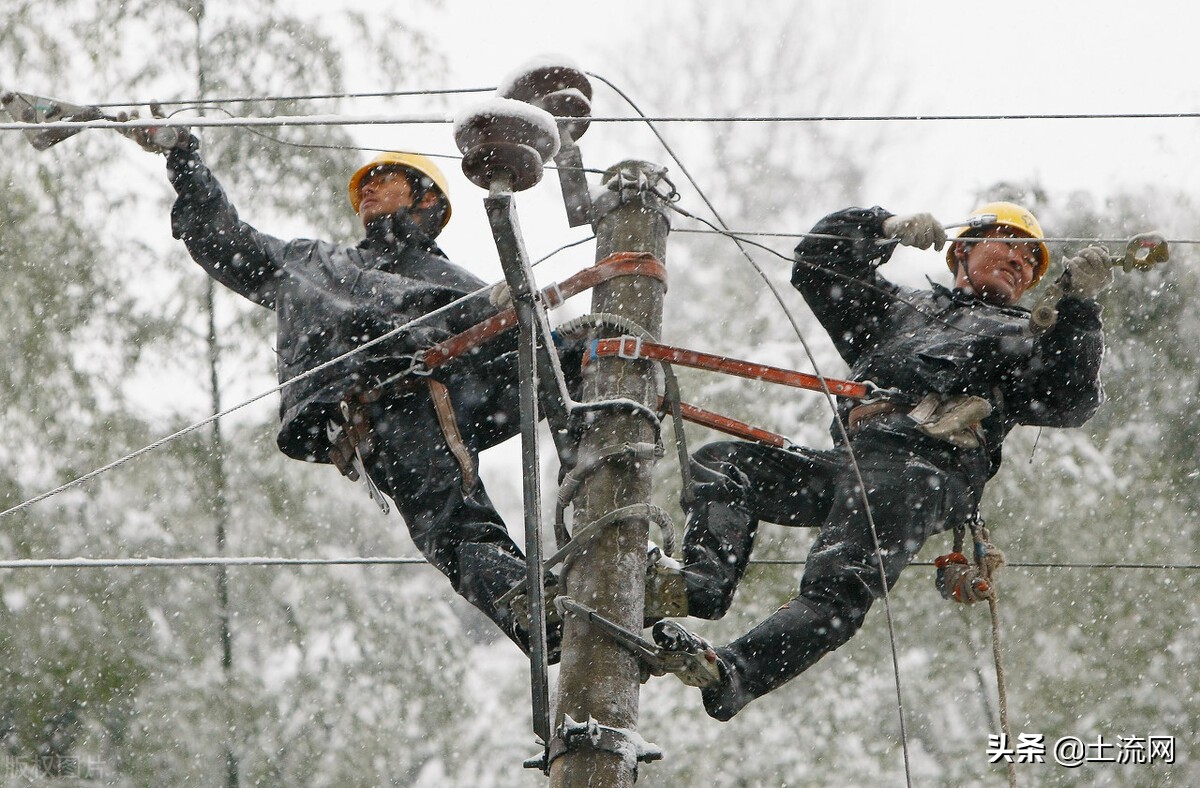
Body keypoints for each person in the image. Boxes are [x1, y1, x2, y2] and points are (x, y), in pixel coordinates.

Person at [650, 201, 1113, 720]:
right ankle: (700, 582)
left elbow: (1071, 398)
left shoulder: (1030, 336)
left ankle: (736, 670)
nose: (1019, 260)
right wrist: (881, 228)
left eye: (1031, 259)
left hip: (926, 469)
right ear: (961, 250)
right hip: (853, 460)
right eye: (1006, 243)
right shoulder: (896, 310)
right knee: (727, 464)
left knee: (839, 583)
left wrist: (1078, 310)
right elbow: (816, 265)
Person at [155, 133, 569, 657]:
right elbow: (222, 238)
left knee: (579, 356)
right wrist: (183, 161)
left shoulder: (453, 282)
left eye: (384, 178)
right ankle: (535, 611)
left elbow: (523, 351)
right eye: (364, 183)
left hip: (447, 396)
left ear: (426, 198)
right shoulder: (314, 264)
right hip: (377, 412)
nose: (368, 189)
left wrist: (526, 319)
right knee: (453, 526)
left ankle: (605, 523)